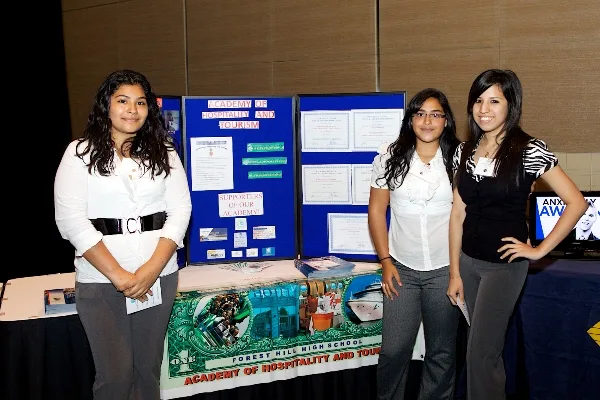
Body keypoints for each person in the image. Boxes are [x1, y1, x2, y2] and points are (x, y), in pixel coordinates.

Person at [447, 69, 588, 400]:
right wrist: (454, 272)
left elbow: (577, 202)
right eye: (478, 101)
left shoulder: (530, 149)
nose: (484, 109)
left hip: (504, 267)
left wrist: (538, 250)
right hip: (468, 262)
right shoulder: (462, 151)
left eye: (494, 101)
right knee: (482, 352)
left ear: (511, 104)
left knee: (480, 354)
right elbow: (457, 214)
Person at [54, 69, 192, 400]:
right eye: (122, 101)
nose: (132, 109)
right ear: (106, 105)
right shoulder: (79, 153)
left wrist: (151, 271)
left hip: (158, 277)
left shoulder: (164, 151)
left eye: (140, 102)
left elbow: (180, 211)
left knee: (147, 371)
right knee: (115, 377)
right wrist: (120, 276)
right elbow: (71, 221)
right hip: (101, 280)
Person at [369, 88, 460, 400]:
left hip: (446, 269)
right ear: (410, 119)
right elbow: (376, 211)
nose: (427, 121)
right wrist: (385, 261)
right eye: (420, 114)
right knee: (394, 350)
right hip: (401, 269)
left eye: (435, 114)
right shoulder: (389, 157)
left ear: (446, 121)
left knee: (441, 351)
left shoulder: (459, 159)